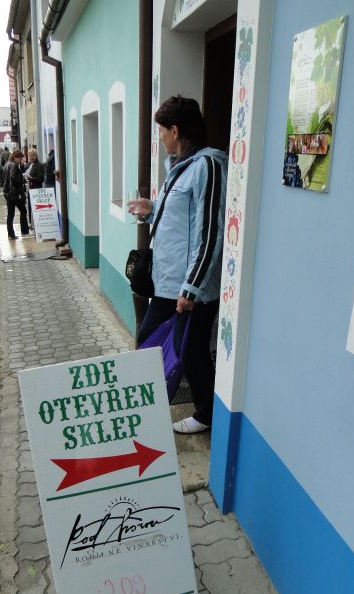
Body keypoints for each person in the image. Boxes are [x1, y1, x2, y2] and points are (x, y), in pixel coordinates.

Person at [128, 95, 227, 434]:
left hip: (189, 288)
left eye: (161, 132)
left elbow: (210, 231)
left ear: (175, 130)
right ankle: (147, 407)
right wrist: (152, 209)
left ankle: (206, 414)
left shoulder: (208, 166)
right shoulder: (181, 166)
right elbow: (182, 219)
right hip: (168, 283)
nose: (160, 138)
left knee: (191, 351)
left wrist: (192, 287)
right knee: (150, 342)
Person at [3, 150, 29, 239]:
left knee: (10, 214)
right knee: (23, 211)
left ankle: (10, 234)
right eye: (20, 158)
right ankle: (24, 231)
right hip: (14, 193)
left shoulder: (7, 164)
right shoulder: (14, 165)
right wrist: (23, 180)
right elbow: (13, 177)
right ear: (15, 157)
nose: (20, 160)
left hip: (7, 192)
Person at [25, 148, 45, 227]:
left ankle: (35, 224)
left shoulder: (39, 165)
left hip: (36, 189)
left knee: (35, 207)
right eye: (30, 155)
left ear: (36, 156)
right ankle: (31, 223)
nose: (31, 157)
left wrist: (31, 178)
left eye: (33, 155)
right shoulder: (30, 164)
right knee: (30, 207)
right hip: (30, 189)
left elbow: (41, 179)